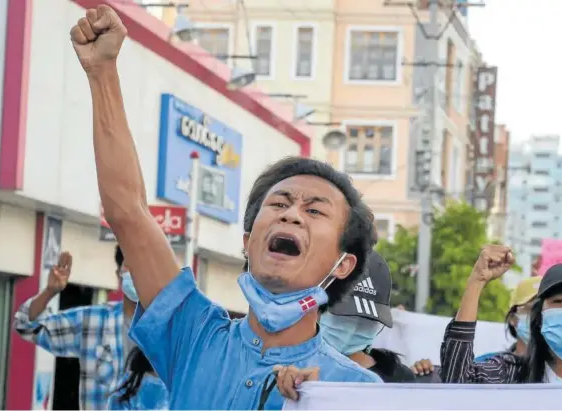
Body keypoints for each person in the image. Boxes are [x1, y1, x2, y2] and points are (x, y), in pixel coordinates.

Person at [69, 6, 381, 410]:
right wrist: (102, 72)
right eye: (280, 203)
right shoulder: (192, 333)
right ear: (248, 242)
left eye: (315, 211)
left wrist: (322, 403)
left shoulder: (357, 391)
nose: (290, 214)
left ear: (343, 264)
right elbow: (128, 212)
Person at [440, 245, 562, 384]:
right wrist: (476, 282)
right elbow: (457, 382)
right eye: (559, 302)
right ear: (539, 316)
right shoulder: (511, 375)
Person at [13, 247, 141, 409]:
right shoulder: (92, 321)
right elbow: (27, 326)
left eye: (143, 267)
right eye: (131, 266)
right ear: (119, 275)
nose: (138, 274)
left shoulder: (171, 328)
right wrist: (49, 292)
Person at [411, 276, 542, 378]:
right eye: (533, 309)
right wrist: (423, 375)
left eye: (546, 310)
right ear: (513, 317)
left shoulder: (558, 370)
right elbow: (456, 379)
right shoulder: (489, 368)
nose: (540, 317)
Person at [320, 250, 415, 382]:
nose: (352, 327)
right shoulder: (295, 374)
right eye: (343, 315)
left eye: (367, 319)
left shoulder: (399, 379)